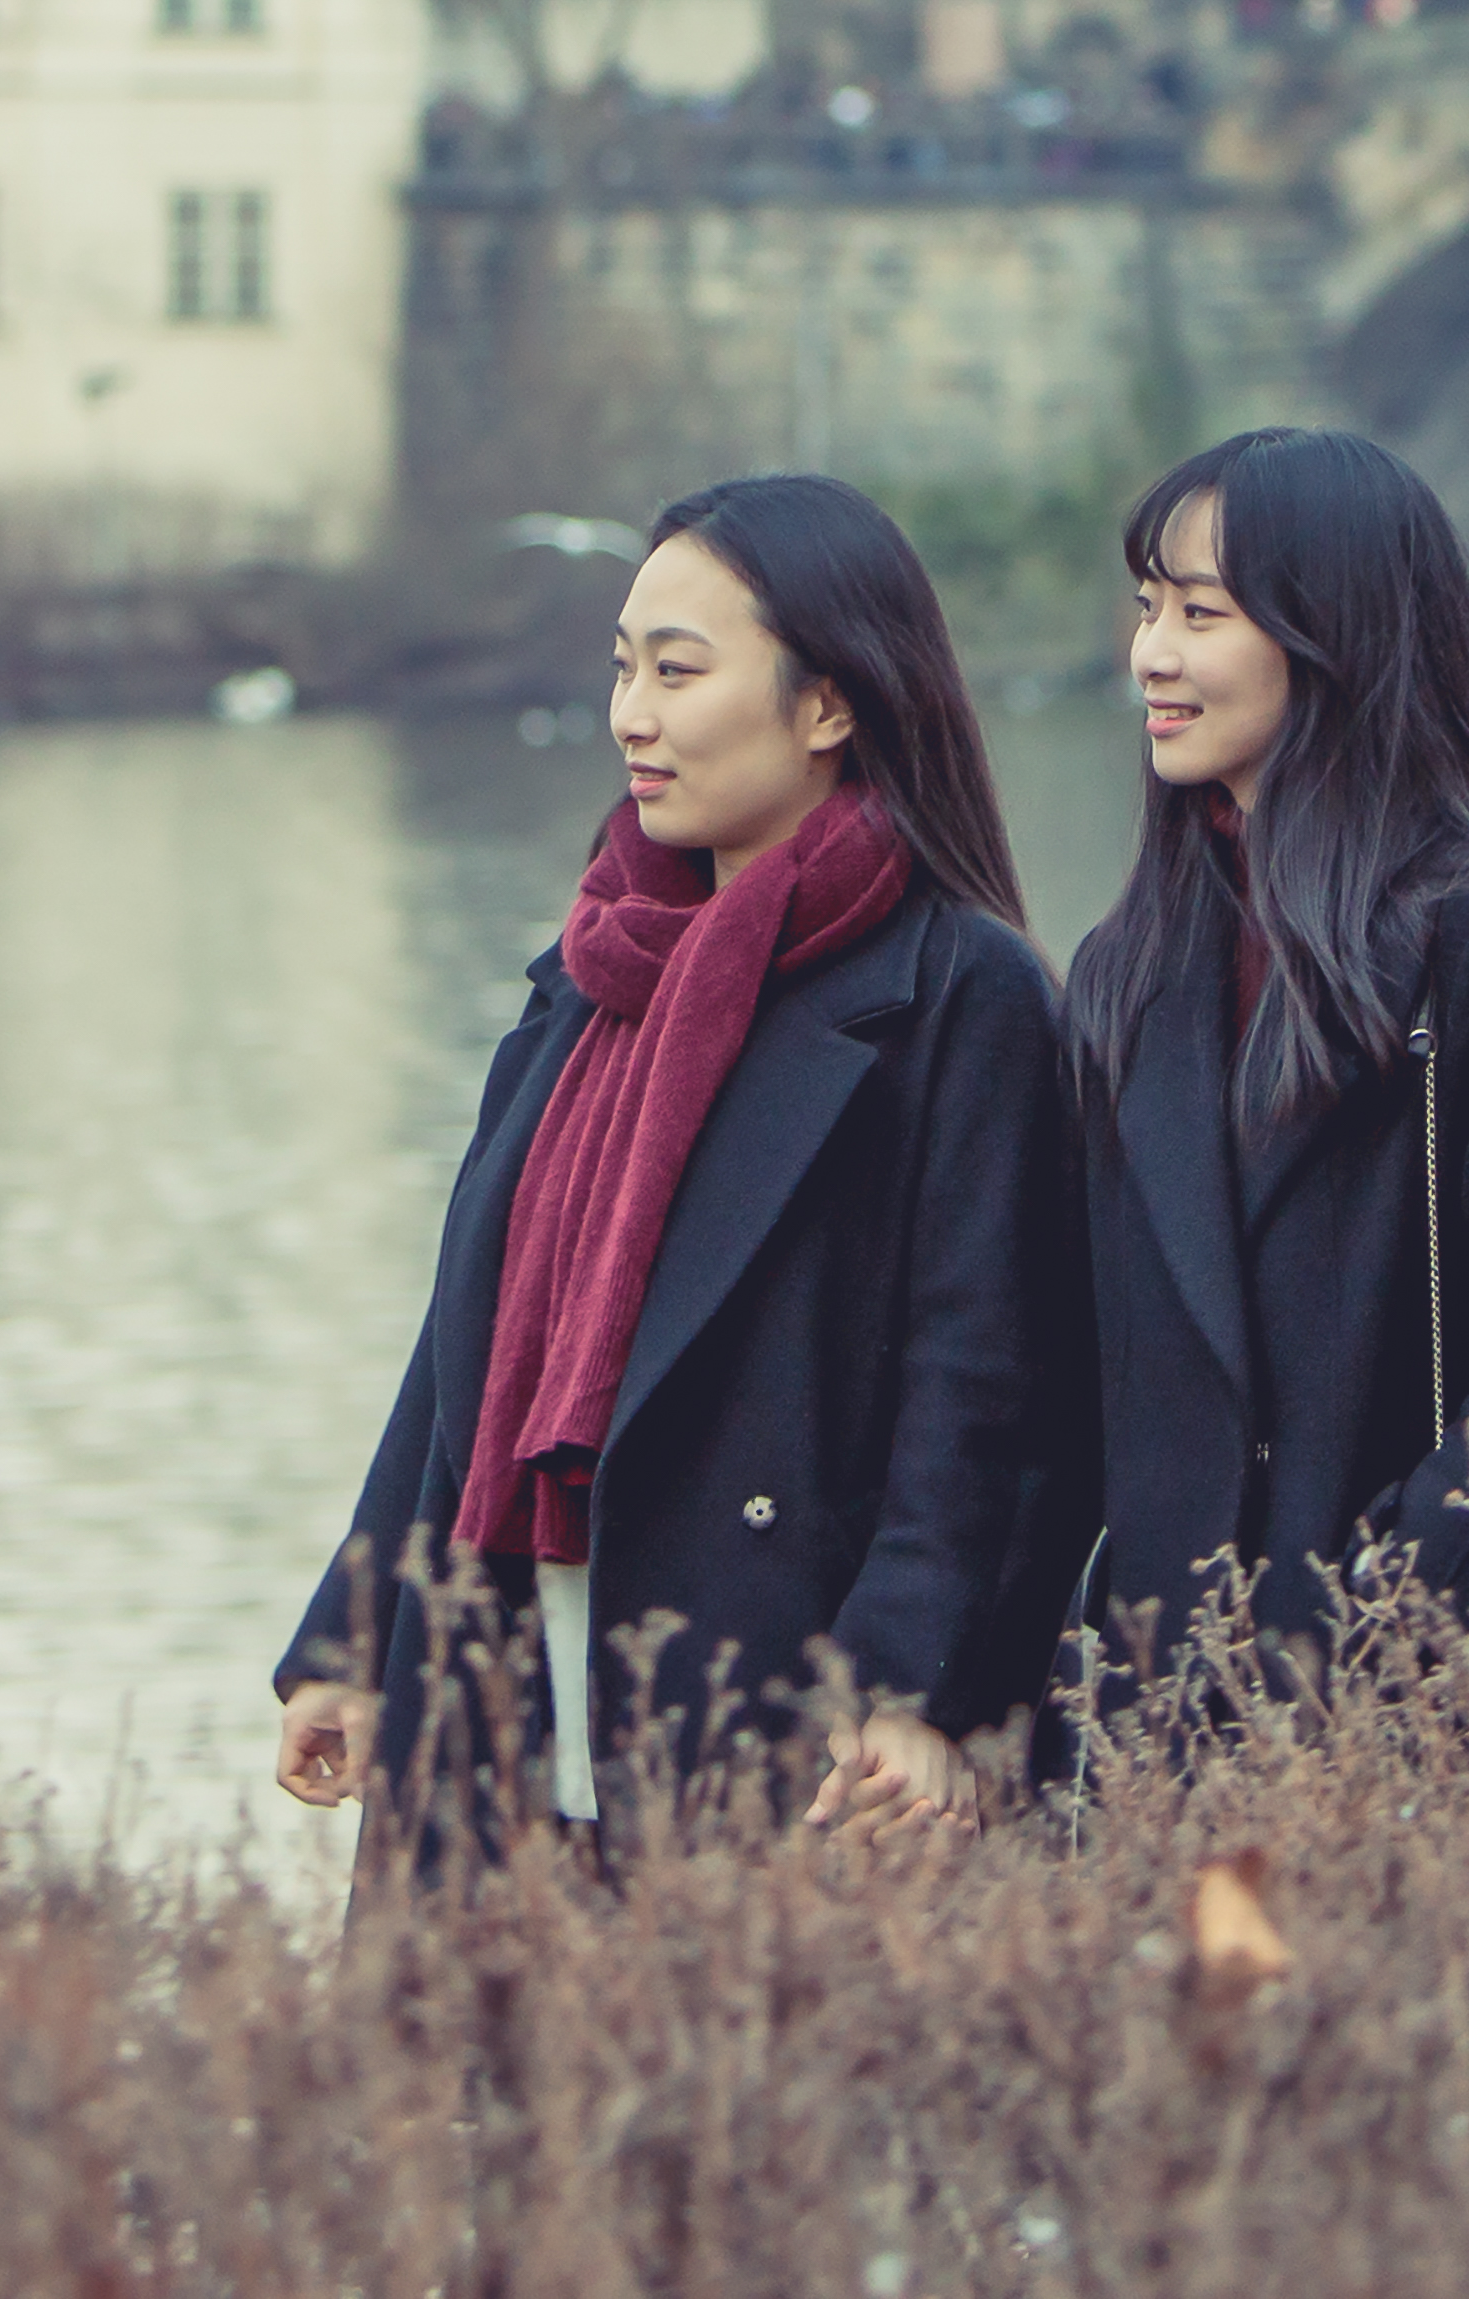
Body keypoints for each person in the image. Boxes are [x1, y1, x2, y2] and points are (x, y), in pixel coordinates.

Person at [273, 475, 1090, 1870]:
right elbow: (466, 1338)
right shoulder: (589, 975)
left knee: (738, 2012)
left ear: (827, 704)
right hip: (502, 1684)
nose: (630, 715)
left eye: (677, 669)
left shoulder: (961, 993)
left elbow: (989, 1385)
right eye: (622, 666)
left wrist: (915, 1689)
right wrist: (354, 1639)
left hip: (783, 1708)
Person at [1064, 424, 1469, 1696]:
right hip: (1167, 1707)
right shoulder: (1126, 967)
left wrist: (1381, 1596)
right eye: (1148, 607)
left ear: (1331, 633)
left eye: (1200, 613)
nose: (1151, 653)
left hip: (1426, 1693)